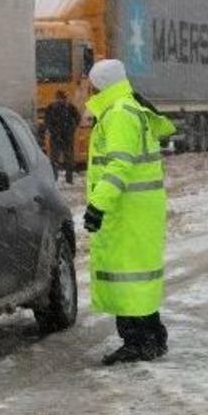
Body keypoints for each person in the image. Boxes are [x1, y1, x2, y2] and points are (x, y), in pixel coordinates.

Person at [83, 59, 176, 364]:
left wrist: (98, 204)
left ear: (100, 85)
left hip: (126, 211)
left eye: (91, 84)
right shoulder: (128, 107)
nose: (88, 89)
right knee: (137, 277)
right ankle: (151, 336)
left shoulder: (119, 114)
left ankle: (138, 342)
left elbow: (118, 166)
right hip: (137, 210)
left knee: (126, 277)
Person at [43, 90, 80, 184]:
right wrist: (71, 128)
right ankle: (61, 179)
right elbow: (47, 121)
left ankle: (64, 179)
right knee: (63, 159)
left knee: (61, 159)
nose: (61, 100)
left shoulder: (68, 107)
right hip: (61, 137)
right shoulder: (60, 107)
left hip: (61, 137)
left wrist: (71, 128)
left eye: (62, 98)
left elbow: (47, 121)